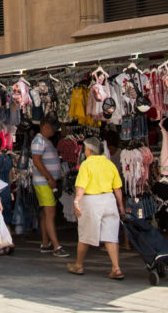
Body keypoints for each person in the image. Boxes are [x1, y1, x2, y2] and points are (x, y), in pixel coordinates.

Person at [67, 138, 126, 279]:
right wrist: (121, 207)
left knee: (85, 234)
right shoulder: (109, 164)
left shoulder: (86, 165)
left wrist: (76, 202)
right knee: (111, 236)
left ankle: (78, 265)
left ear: (88, 150)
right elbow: (117, 189)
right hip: (109, 200)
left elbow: (80, 187)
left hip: (91, 201)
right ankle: (116, 268)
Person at [31, 119, 68, 257]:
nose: (53, 130)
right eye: (51, 127)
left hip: (46, 181)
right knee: (50, 213)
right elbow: (36, 161)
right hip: (43, 182)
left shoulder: (44, 140)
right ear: (45, 126)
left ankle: (46, 243)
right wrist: (49, 178)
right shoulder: (39, 141)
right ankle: (56, 246)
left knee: (47, 213)